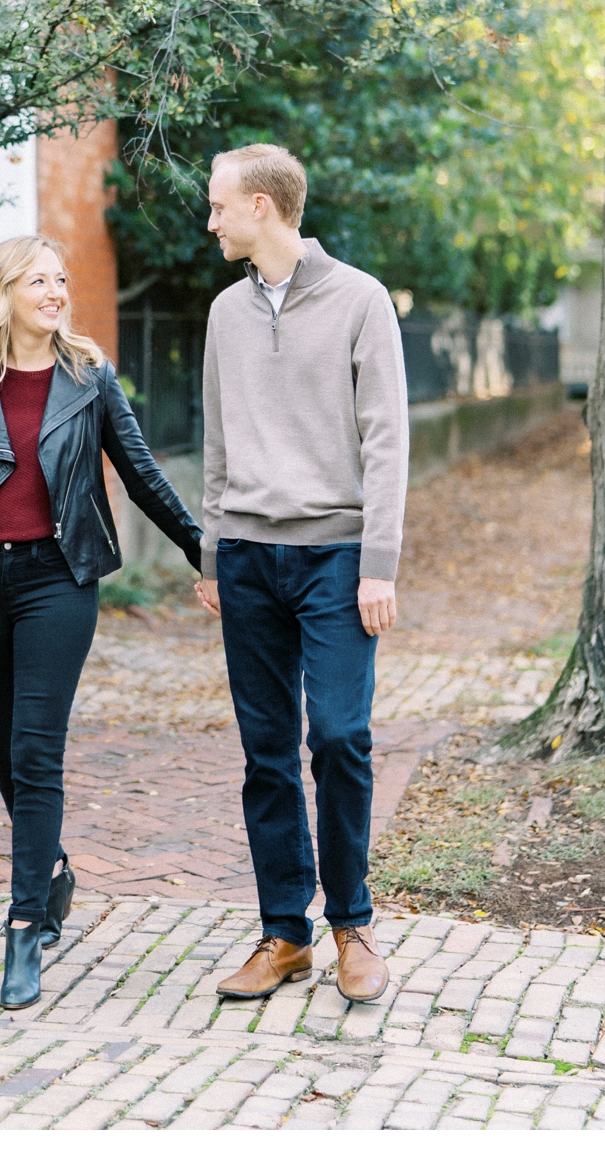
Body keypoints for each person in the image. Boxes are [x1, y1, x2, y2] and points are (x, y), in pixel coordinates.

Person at [0, 233, 204, 1012]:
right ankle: (52, 871)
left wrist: (201, 549)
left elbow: (140, 473)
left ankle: (24, 923)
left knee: (38, 751)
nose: (55, 291)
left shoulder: (90, 379)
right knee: (7, 753)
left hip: (55, 581)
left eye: (60, 280)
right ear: (1, 293)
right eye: (37, 280)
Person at [193, 144, 406, 1006]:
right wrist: (213, 551)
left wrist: (378, 564)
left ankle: (352, 921)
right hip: (247, 558)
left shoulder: (361, 300)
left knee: (342, 739)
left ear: (261, 207)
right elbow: (215, 440)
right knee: (266, 754)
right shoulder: (222, 315)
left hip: (337, 559)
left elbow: (388, 440)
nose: (209, 222)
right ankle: (285, 934)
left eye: (218, 207)